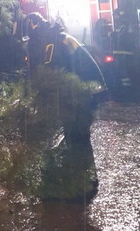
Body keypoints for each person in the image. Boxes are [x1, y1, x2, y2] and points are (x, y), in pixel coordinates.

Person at [24, 12, 107, 145]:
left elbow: (51, 71)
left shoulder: (53, 42)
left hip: (81, 89)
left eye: (31, 37)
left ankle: (81, 161)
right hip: (85, 87)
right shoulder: (56, 37)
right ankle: (80, 160)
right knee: (75, 129)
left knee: (76, 131)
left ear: (36, 29)